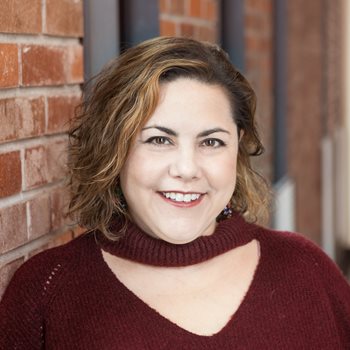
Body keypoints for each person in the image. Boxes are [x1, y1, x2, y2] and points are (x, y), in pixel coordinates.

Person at [0, 37, 349, 349]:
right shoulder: (47, 289)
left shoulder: (307, 269)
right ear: (114, 150)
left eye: (211, 141)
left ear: (238, 149)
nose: (186, 168)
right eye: (158, 140)